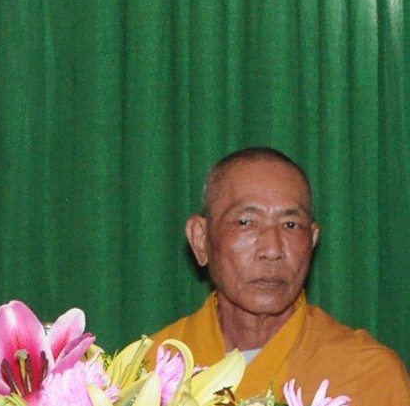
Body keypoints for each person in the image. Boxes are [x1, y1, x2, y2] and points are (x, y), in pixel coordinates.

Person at [149, 147, 410, 404]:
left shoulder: (367, 376)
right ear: (201, 239)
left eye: (291, 225)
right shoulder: (151, 373)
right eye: (245, 222)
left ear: (312, 241)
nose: (272, 250)